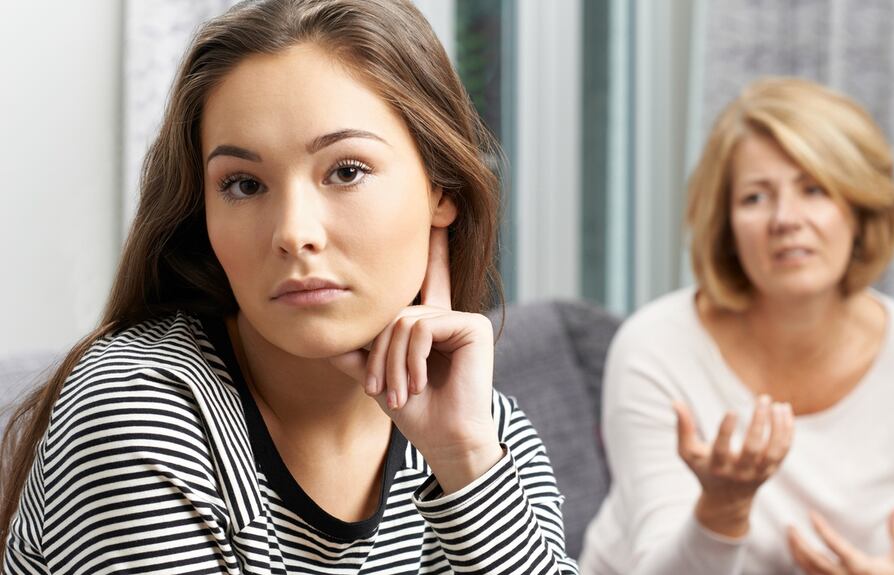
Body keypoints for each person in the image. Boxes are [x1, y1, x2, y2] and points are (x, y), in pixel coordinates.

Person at [0, 1, 577, 573]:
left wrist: (464, 459)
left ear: (441, 190)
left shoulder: (486, 431)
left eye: (346, 171)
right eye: (245, 184)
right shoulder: (137, 411)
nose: (293, 233)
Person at [580, 77, 894, 574]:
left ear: (859, 209)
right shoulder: (653, 346)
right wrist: (721, 509)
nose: (786, 219)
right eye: (754, 198)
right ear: (726, 228)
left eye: (814, 189)